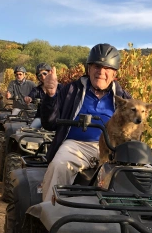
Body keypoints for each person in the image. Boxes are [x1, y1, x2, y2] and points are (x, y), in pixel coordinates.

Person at [40, 43, 131, 202]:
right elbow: (49, 123)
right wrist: (51, 95)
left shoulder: (123, 98)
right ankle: (49, 212)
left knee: (141, 174)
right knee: (59, 167)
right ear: (88, 69)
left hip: (111, 148)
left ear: (114, 73)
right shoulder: (71, 90)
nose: (101, 72)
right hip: (76, 145)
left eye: (107, 68)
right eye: (97, 66)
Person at [26, 63, 56, 129]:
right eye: (40, 75)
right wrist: (29, 98)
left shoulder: (59, 88)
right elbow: (32, 94)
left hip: (56, 118)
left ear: (50, 73)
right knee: (31, 129)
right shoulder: (37, 90)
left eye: (45, 73)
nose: (43, 77)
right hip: (41, 118)